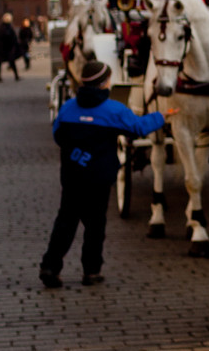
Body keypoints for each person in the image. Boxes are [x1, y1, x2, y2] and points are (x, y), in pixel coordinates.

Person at [39, 61, 176, 288]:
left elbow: (57, 136)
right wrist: (162, 116)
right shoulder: (114, 110)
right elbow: (139, 127)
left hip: (72, 177)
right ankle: (91, 271)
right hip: (98, 179)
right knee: (95, 225)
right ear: (104, 83)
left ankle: (50, 267)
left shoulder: (67, 108)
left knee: (65, 222)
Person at [0, 13, 20, 82]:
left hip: (4, 48)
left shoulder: (2, 27)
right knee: (7, 62)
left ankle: (14, 76)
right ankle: (14, 76)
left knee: (4, 62)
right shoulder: (6, 28)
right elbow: (14, 39)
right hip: (5, 48)